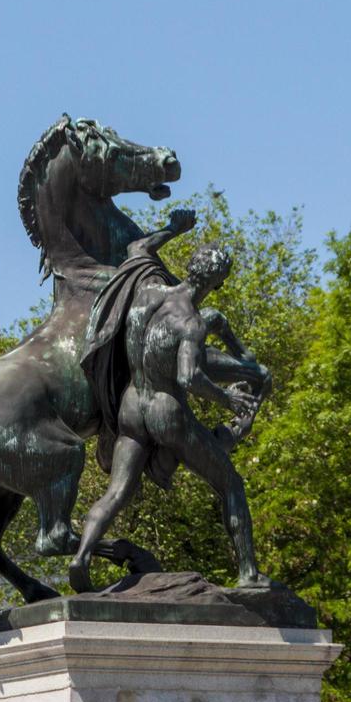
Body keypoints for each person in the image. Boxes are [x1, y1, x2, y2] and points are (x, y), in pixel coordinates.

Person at [72, 222, 270, 593]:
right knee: (230, 485)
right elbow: (190, 377)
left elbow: (139, 247)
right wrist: (227, 398)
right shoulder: (189, 323)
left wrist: (173, 229)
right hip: (165, 411)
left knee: (115, 493)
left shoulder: (146, 292)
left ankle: (82, 556)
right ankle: (249, 573)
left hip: (131, 405)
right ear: (216, 283)